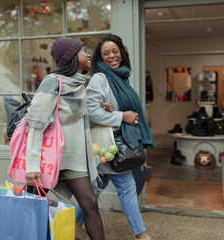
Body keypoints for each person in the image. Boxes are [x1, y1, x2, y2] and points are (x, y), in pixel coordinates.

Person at [75, 34, 155, 240]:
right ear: (100, 58)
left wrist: (112, 110)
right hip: (110, 145)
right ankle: (142, 235)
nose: (112, 56)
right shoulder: (101, 78)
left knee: (95, 188)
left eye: (115, 51)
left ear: (121, 52)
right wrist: (122, 116)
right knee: (127, 189)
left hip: (114, 144)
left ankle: (75, 223)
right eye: (106, 53)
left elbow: (106, 107)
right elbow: (92, 111)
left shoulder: (123, 77)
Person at [25, 37, 105, 240]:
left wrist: (104, 110)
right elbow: (35, 125)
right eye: (83, 50)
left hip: (74, 158)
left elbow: (79, 123)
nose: (88, 54)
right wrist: (32, 165)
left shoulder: (80, 84)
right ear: (71, 57)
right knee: (36, 211)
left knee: (90, 204)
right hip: (48, 159)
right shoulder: (52, 82)